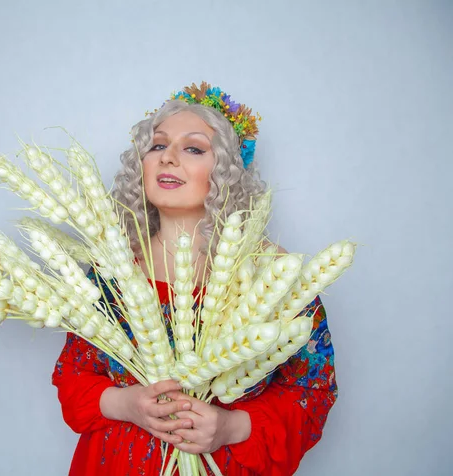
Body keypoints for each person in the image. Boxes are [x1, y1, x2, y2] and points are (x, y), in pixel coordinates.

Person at [52, 82, 337, 475]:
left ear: (225, 171)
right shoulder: (110, 270)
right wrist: (128, 404)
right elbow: (73, 377)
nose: (168, 158)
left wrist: (230, 427)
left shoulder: (270, 278)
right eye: (157, 145)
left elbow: (312, 391)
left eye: (193, 148)